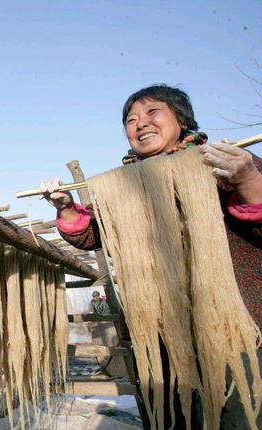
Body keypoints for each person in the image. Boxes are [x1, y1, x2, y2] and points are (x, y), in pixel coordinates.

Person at [42, 84, 262, 429]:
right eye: (130, 120)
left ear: (181, 120)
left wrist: (248, 180)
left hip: (235, 331)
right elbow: (92, 236)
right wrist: (68, 209)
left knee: (239, 417)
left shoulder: (227, 164)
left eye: (152, 113)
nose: (140, 123)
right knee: (172, 417)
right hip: (158, 335)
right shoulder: (125, 187)